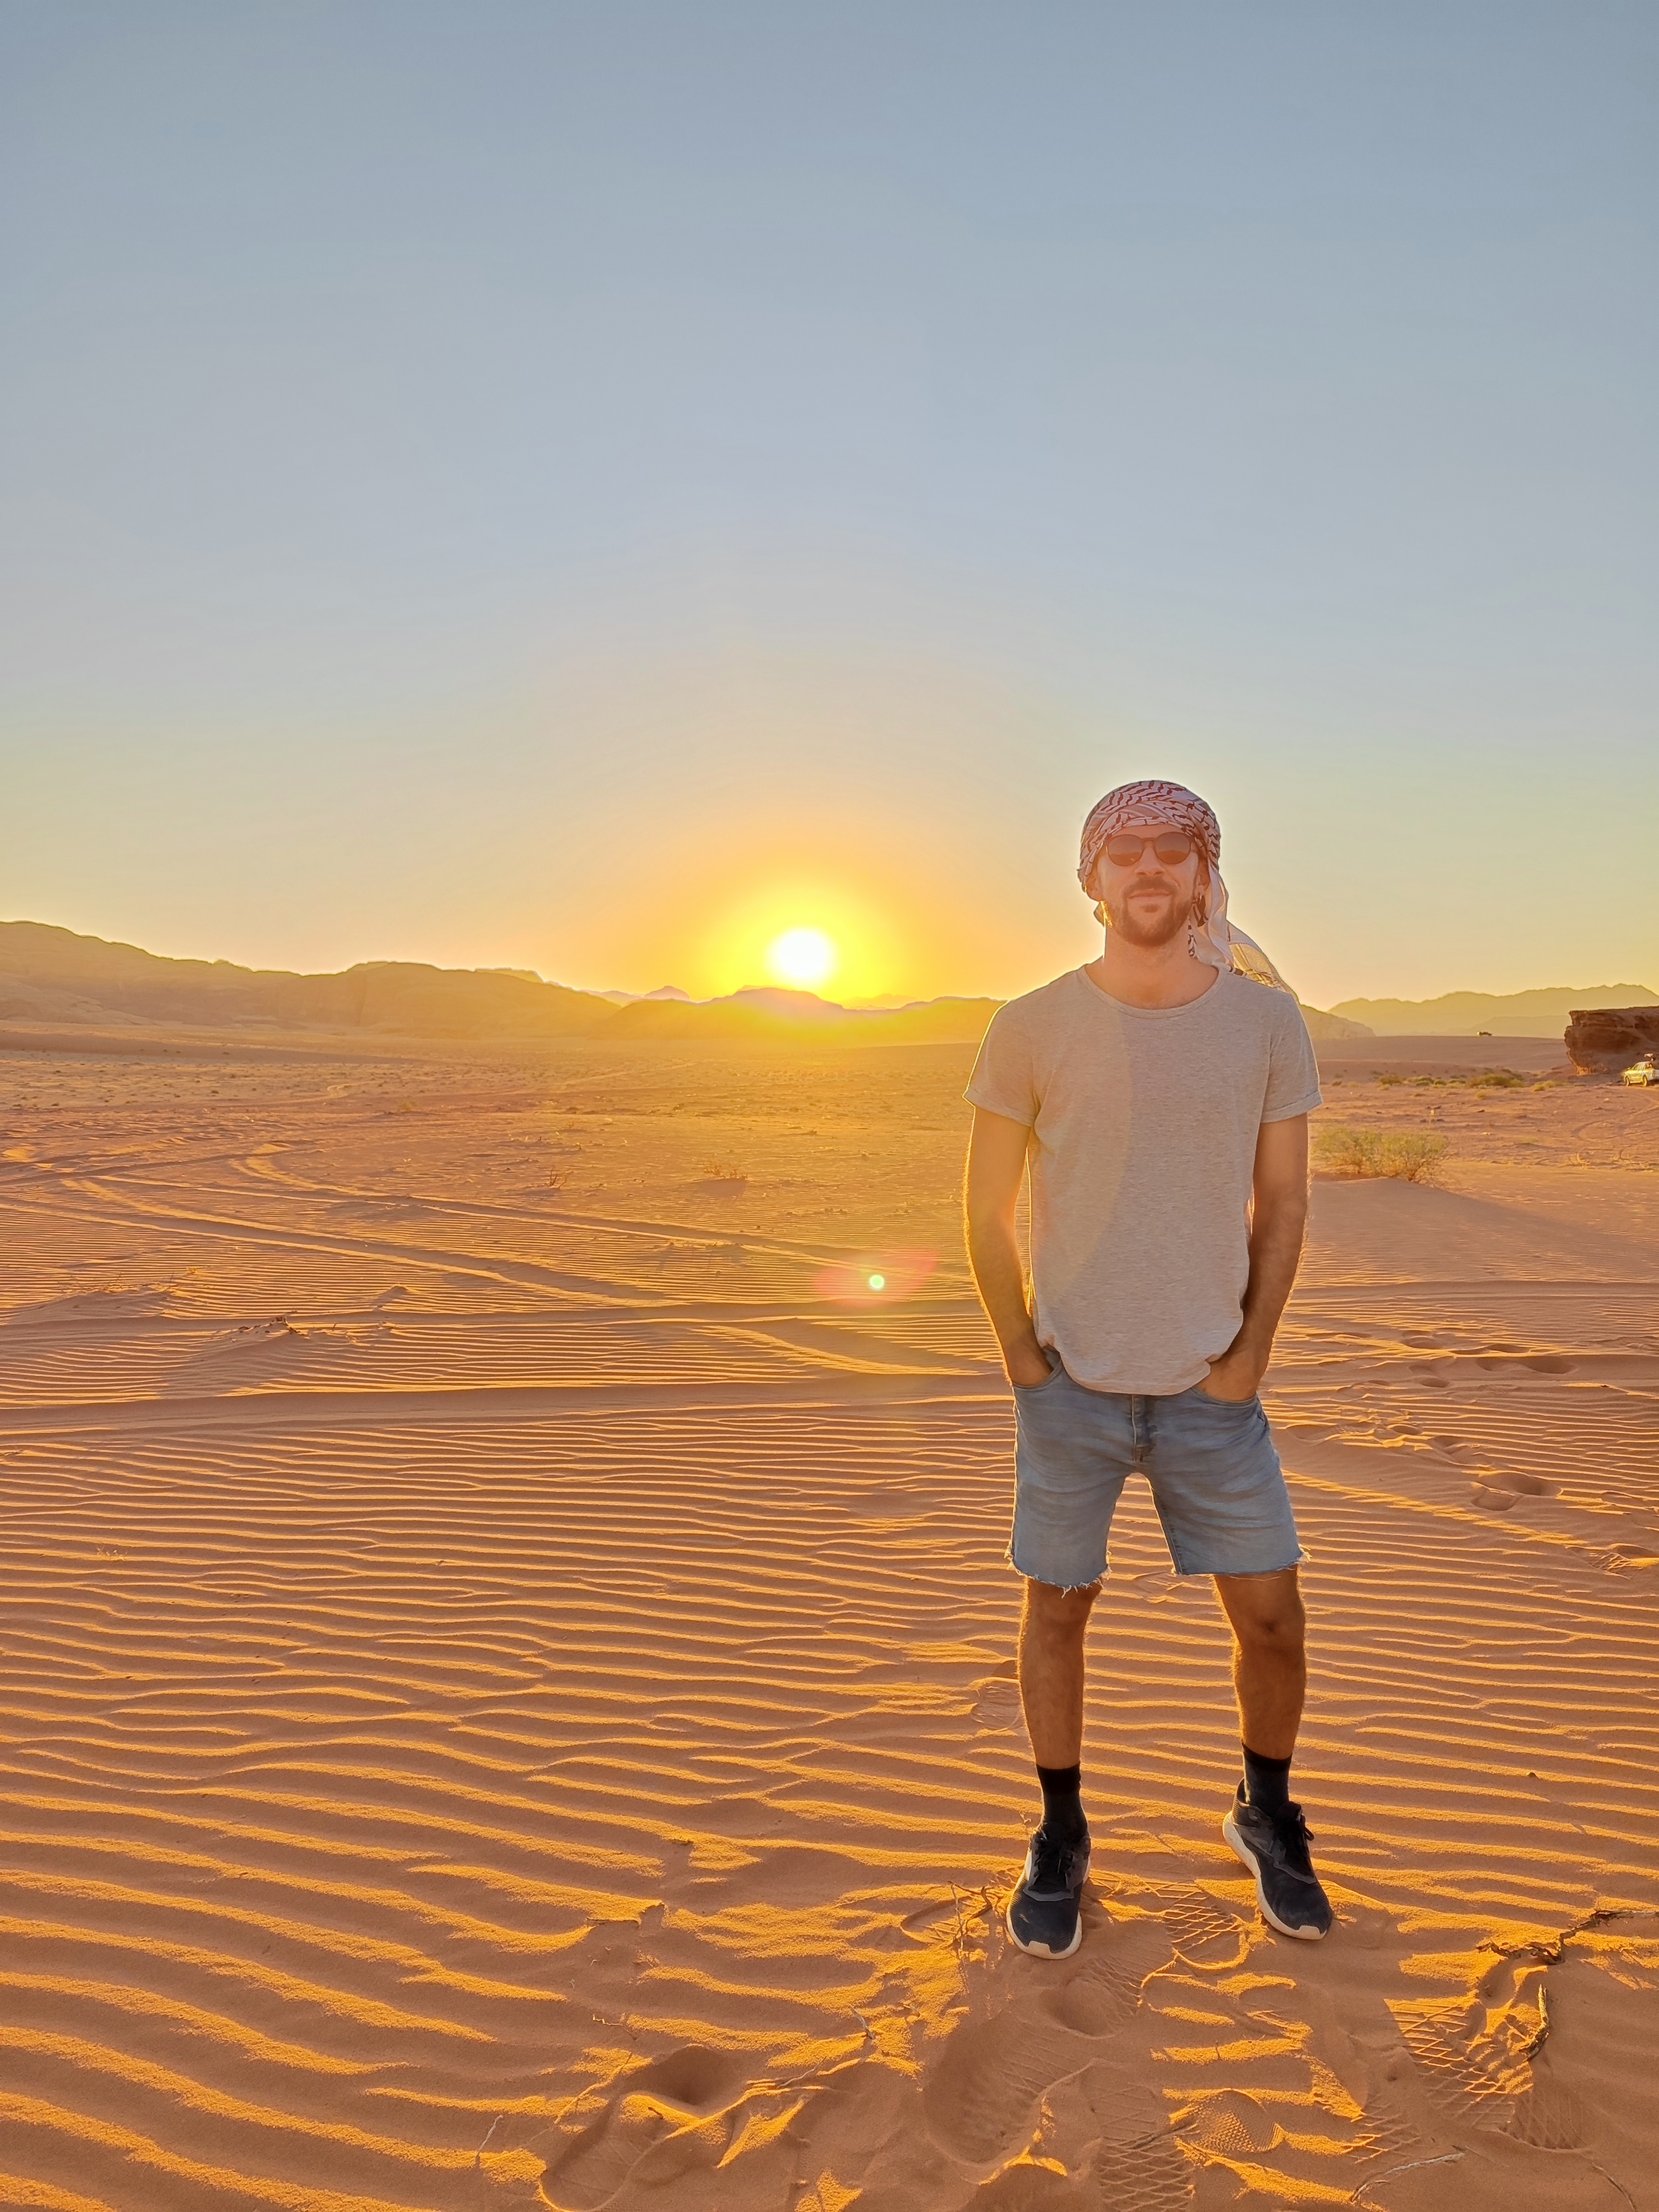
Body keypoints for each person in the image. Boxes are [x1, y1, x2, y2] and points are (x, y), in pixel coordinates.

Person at [963, 778, 1332, 1958]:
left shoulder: (1268, 1024)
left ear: (1205, 876)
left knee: (1272, 1621)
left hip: (1213, 1392)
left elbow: (1283, 1205)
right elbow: (983, 1209)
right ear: (1090, 878)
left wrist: (1251, 1355)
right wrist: (1023, 1353)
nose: (1150, 869)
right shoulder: (1029, 1024)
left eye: (1176, 849)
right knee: (1057, 1613)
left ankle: (1266, 1812)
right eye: (1126, 851)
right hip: (1070, 1386)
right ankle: (1061, 1831)